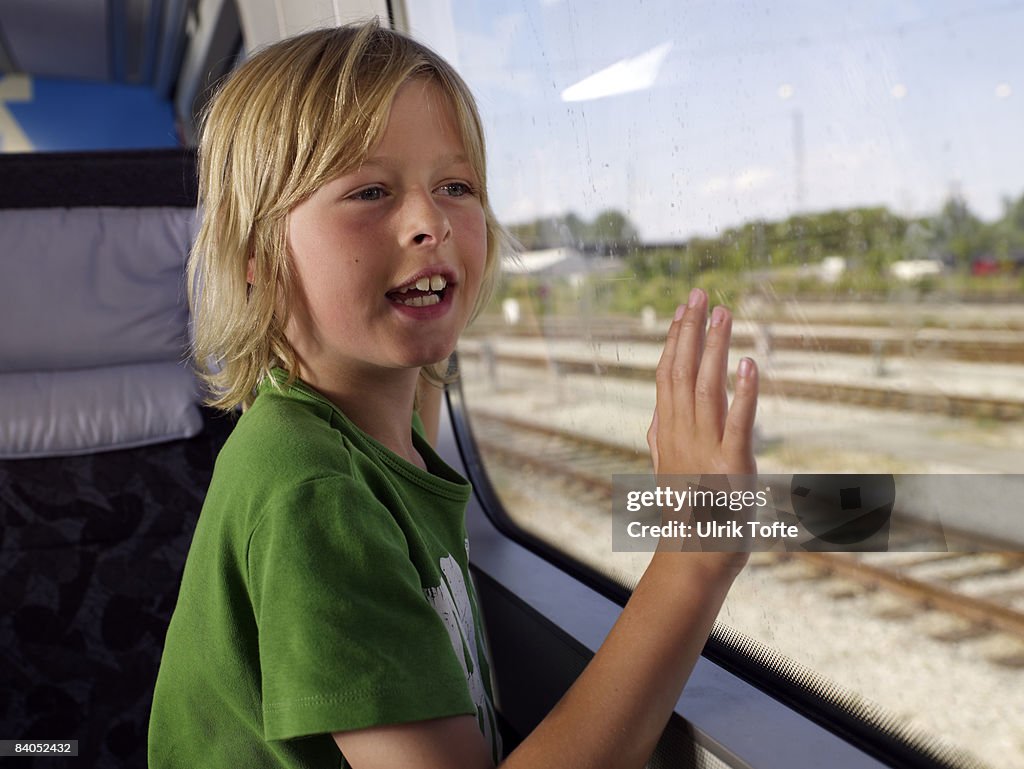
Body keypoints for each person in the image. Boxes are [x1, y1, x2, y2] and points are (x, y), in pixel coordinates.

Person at [148, 20, 758, 769]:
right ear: (257, 256)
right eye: (370, 190)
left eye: (456, 186)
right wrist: (694, 557)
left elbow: (413, 353)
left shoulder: (381, 423)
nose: (430, 221)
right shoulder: (311, 493)